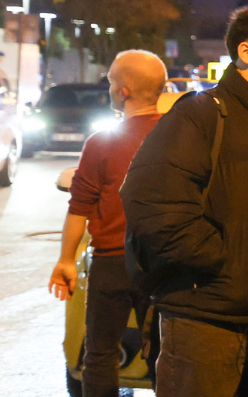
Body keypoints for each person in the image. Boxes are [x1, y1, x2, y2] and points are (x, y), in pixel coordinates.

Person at [120, 7, 248, 397]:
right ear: (245, 51)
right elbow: (151, 203)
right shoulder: (199, 116)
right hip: (205, 324)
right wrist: (221, 263)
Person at [49, 50, 167, 397]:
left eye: (112, 81)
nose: (111, 88)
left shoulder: (101, 143)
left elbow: (79, 208)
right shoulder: (178, 137)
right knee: (164, 354)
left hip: (111, 263)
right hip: (162, 263)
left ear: (123, 91)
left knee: (99, 354)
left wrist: (66, 260)